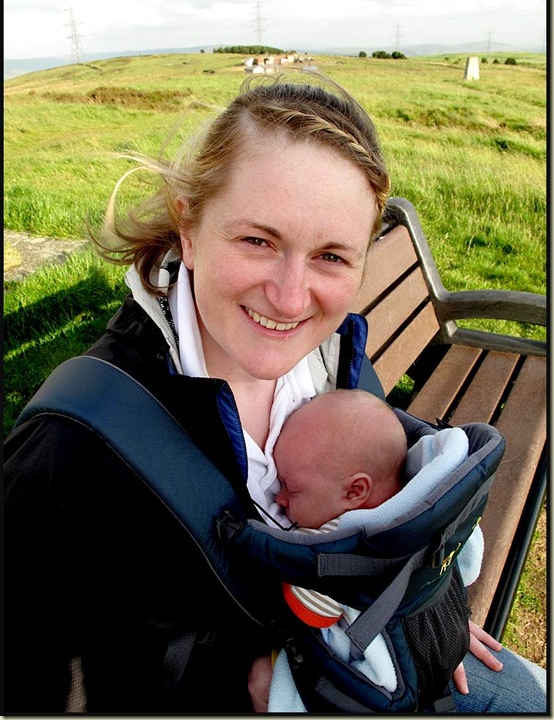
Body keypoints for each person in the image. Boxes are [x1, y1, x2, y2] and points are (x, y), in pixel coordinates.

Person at [4, 71, 546, 715]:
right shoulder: (71, 448)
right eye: (258, 240)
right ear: (188, 225)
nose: (291, 300)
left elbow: (382, 498)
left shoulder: (329, 354)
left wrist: (420, 609)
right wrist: (245, 677)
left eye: (331, 257)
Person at [273, 388, 407, 627]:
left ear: (355, 491)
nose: (279, 499)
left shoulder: (339, 545)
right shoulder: (416, 505)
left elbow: (311, 612)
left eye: (291, 489)